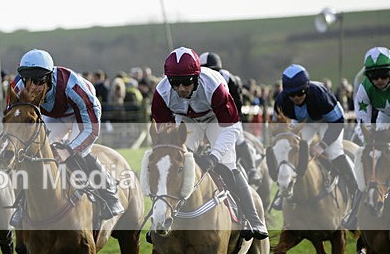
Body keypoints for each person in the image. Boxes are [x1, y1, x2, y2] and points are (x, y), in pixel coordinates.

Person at [152, 47, 268, 240]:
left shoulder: (214, 86)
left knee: (227, 166)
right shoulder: (161, 94)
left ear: (196, 77)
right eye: (175, 82)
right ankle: (159, 217)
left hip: (217, 120)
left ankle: (253, 219)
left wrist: (214, 158)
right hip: (186, 120)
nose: (181, 88)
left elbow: (231, 127)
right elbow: (167, 135)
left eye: (186, 82)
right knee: (172, 162)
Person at [8, 49, 124, 226]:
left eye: (38, 81)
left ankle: (109, 193)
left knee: (79, 152)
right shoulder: (17, 87)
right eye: (28, 80)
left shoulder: (72, 86)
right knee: (36, 153)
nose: (31, 87)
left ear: (49, 78)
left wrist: (69, 150)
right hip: (54, 116)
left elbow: (90, 130)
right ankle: (23, 204)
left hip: (81, 114)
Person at [273, 64, 359, 229]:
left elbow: (338, 123)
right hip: (306, 122)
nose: (296, 97)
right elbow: (279, 128)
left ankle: (354, 189)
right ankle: (283, 190)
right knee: (294, 149)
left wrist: (322, 145)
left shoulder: (320, 95)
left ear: (306, 88)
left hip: (330, 121)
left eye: (300, 93)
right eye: (292, 94)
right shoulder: (281, 101)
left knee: (333, 151)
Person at [199, 51, 259, 182]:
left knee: (239, 138)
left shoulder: (231, 79)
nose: (211, 74)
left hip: (229, 116)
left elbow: (237, 103)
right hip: (206, 118)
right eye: (208, 70)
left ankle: (252, 169)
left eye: (214, 70)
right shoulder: (199, 82)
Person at [348, 47, 390, 226]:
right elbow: (363, 123)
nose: (379, 80)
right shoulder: (363, 88)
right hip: (384, 115)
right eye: (374, 76)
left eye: (384, 75)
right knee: (367, 154)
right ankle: (355, 208)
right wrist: (370, 142)